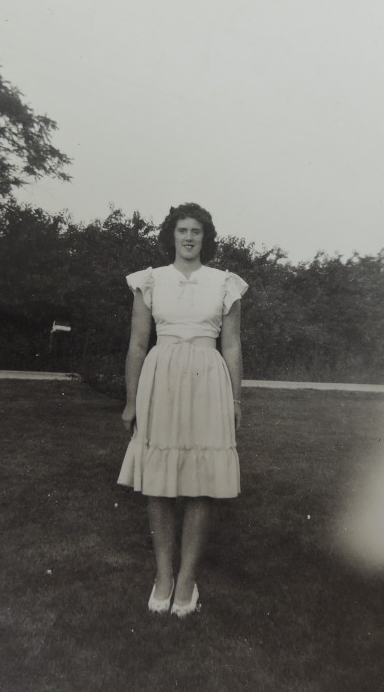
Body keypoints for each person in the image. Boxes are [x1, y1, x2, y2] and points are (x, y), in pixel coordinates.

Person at [117, 203, 247, 618]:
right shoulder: (150, 281)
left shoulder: (225, 283)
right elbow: (138, 344)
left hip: (209, 381)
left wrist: (236, 399)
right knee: (157, 479)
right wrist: (131, 399)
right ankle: (162, 575)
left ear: (205, 238)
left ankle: (187, 579)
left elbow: (232, 345)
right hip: (162, 379)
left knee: (201, 480)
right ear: (171, 236)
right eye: (182, 230)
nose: (189, 238)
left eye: (196, 231)